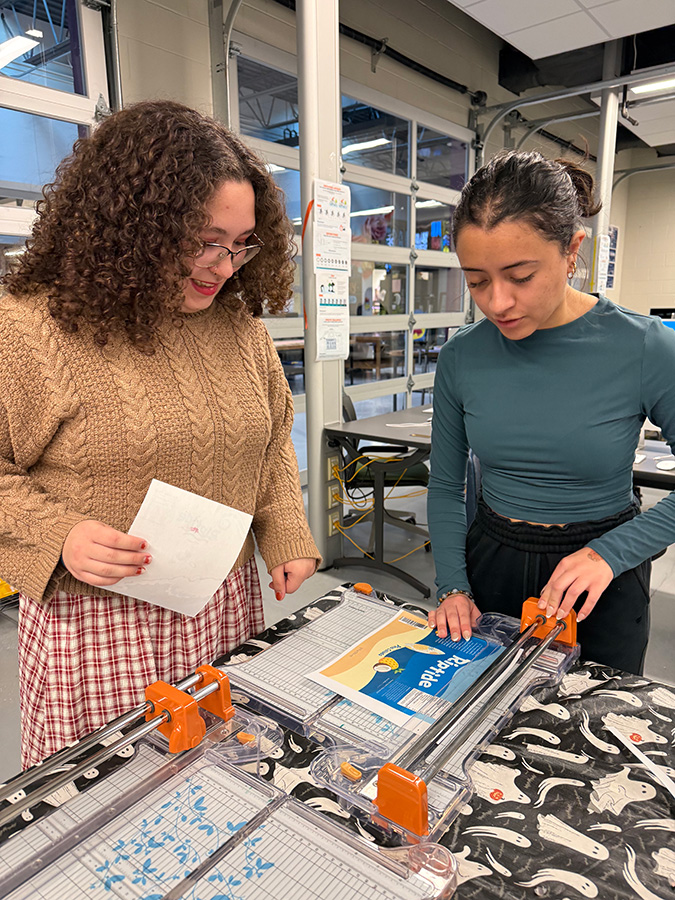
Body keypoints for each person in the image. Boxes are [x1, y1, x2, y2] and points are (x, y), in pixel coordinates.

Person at [0, 100, 320, 768]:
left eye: (240, 244)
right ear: (131, 225)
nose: (224, 265)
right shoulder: (28, 329)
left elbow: (268, 442)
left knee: (224, 789)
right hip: (96, 625)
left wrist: (283, 528)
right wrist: (60, 535)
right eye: (203, 240)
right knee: (109, 813)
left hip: (223, 604)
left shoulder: (240, 331)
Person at [427, 150, 675, 675]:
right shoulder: (462, 356)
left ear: (572, 251)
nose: (497, 302)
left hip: (600, 574)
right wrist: (451, 585)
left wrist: (612, 553)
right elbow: (447, 485)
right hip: (489, 562)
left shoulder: (646, 347)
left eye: (520, 276)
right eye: (476, 280)